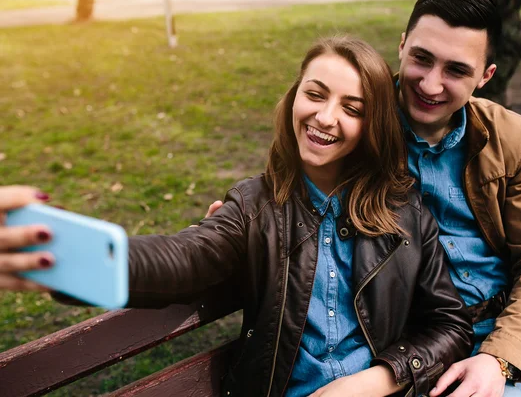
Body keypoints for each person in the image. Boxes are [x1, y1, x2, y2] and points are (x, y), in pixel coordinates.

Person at [0, 36, 474, 396]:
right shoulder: (255, 208)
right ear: (293, 98)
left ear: (372, 126)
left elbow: (449, 324)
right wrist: (62, 252)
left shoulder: (403, 210)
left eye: (352, 108)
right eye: (316, 94)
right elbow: (179, 259)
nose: (326, 118)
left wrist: (375, 381)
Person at [202, 0, 521, 396]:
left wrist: (500, 356)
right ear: (402, 45)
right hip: (455, 347)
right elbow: (290, 180)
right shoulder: (358, 123)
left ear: (486, 75)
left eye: (456, 70)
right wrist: (239, 223)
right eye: (421, 58)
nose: (430, 84)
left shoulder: (510, 135)